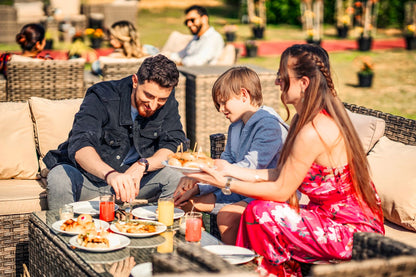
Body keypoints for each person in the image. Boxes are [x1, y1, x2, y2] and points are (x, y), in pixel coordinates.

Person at [183, 44, 385, 276]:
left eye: (282, 76)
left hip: (353, 231)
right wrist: (228, 170)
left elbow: (281, 190)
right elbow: (281, 173)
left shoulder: (314, 130)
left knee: (261, 212)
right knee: (255, 211)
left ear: (304, 83)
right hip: (326, 216)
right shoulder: (303, 119)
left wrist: (226, 182)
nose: (278, 82)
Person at [44, 54, 188, 210]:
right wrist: (111, 175)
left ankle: (162, 230)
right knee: (59, 177)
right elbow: (80, 144)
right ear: (135, 81)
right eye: (148, 95)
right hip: (89, 179)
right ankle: (63, 230)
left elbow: (174, 143)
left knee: (176, 177)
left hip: (134, 183)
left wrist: (144, 165)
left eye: (161, 99)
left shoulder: (166, 100)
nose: (153, 105)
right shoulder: (102, 95)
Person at [173, 66, 288, 245]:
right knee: (185, 201)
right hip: (239, 188)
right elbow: (228, 160)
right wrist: (197, 187)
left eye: (224, 102)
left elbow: (250, 168)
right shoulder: (236, 125)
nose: (221, 109)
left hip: (265, 190)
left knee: (227, 216)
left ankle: (236, 263)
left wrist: (206, 178)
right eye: (218, 104)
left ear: (244, 95)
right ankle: (199, 246)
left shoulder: (269, 126)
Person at [91, 20, 157, 75]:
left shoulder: (112, 58)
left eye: (112, 38)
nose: (111, 42)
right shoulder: (150, 50)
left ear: (121, 38)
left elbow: (95, 68)